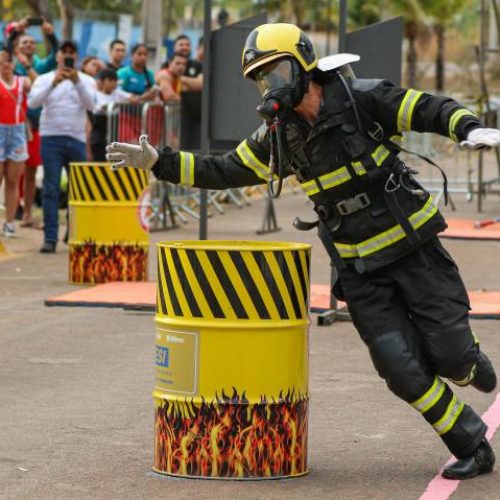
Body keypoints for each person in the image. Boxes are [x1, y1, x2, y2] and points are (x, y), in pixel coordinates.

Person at [107, 23, 500, 479]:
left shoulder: (363, 100)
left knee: (448, 354)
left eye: (274, 72)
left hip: (413, 249)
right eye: (260, 78)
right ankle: (471, 442)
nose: (268, 86)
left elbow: (429, 108)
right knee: (401, 368)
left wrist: (467, 127)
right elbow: (224, 169)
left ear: (302, 62)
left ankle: (466, 362)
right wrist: (162, 162)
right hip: (358, 268)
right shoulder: (277, 136)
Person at [28, 40, 96, 253]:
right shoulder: (44, 78)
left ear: (76, 57)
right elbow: (32, 103)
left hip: (76, 138)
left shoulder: (86, 80)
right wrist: (53, 84)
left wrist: (77, 82)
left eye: (71, 53)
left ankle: (74, 232)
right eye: (63, 53)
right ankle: (50, 238)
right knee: (51, 189)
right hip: (51, 138)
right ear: (57, 56)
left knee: (78, 189)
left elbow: (92, 105)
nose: (67, 56)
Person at [8, 18, 58, 227]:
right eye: (24, 42)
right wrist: (13, 34)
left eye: (32, 42)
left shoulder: (40, 64)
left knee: (31, 171)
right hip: (17, 125)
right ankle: (12, 212)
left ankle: (27, 214)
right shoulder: (10, 64)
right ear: (17, 46)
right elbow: (5, 51)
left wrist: (51, 36)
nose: (29, 45)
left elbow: (56, 56)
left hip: (37, 126)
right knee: (11, 173)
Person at [0, 50, 30, 237]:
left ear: (13, 64)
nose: (5, 64)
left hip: (18, 132)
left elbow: (38, 84)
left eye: (8, 61)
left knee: (13, 181)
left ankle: (10, 223)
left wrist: (26, 65)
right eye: (2, 61)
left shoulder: (23, 82)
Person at [91, 68, 137, 161]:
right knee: (99, 147)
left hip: (113, 127)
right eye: (110, 80)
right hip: (100, 125)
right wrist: (112, 105)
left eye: (115, 81)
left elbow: (132, 98)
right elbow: (101, 107)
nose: (113, 83)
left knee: (114, 149)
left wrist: (140, 97)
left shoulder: (117, 93)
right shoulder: (96, 94)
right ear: (101, 82)